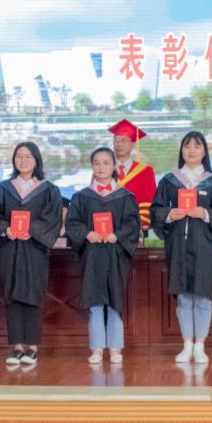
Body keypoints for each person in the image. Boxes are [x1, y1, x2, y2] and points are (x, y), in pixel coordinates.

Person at [0, 142, 64, 366]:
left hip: (35, 249)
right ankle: (17, 346)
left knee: (33, 294)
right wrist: (5, 229)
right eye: (19, 156)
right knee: (11, 294)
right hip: (11, 248)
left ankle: (32, 347)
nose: (23, 160)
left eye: (28, 156)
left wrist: (32, 230)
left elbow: (52, 219)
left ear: (36, 160)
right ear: (13, 160)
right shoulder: (3, 188)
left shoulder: (49, 190)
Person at [151, 132, 212, 364]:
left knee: (202, 296)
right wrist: (168, 214)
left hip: (205, 246)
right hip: (178, 245)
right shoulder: (169, 181)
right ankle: (186, 345)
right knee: (184, 297)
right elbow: (156, 209)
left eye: (197, 146)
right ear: (181, 150)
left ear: (204, 151)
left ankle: (200, 346)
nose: (191, 150)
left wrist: (205, 213)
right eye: (187, 146)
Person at [66, 147, 141, 365]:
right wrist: (87, 233)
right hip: (92, 254)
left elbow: (132, 224)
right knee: (94, 300)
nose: (101, 167)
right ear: (92, 166)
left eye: (106, 163)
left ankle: (116, 347)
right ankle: (97, 348)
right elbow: (72, 223)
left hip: (116, 254)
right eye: (97, 163)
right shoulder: (81, 197)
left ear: (114, 166)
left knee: (115, 299)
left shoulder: (125, 196)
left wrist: (117, 235)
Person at [109, 119, 156, 231]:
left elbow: (148, 204)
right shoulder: (103, 170)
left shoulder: (146, 172)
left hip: (136, 230)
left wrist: (137, 227)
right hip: (107, 230)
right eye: (116, 140)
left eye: (124, 140)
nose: (118, 144)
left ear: (133, 144)